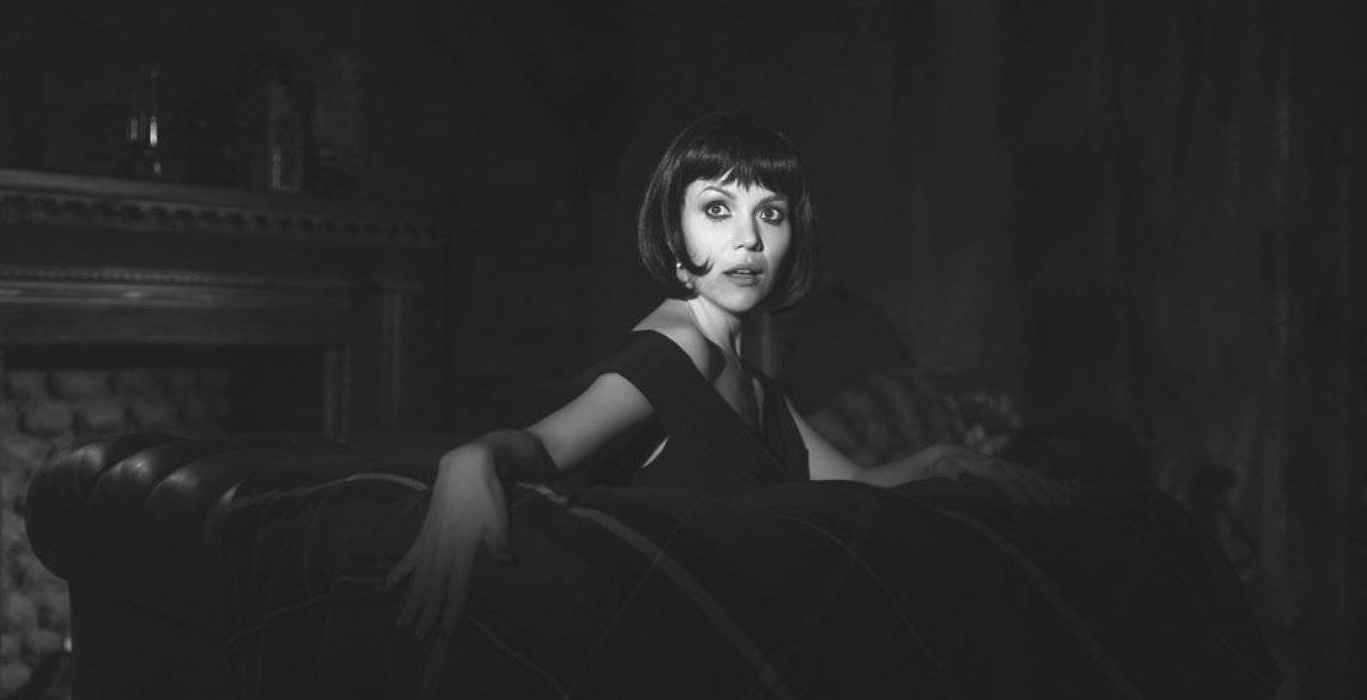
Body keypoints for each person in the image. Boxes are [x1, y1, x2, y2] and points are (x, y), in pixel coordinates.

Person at [389, 111, 1065, 638]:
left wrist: (941, 459)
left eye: (769, 213)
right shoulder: (674, 349)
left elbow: (854, 485)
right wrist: (471, 461)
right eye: (717, 209)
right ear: (674, 235)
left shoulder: (754, 381)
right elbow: (543, 446)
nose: (748, 238)